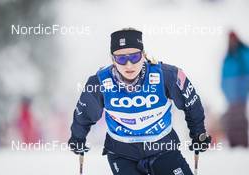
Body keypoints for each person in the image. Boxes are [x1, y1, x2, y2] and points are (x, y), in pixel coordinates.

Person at [68, 28, 211, 175]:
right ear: (113, 59)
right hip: (122, 153)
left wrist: (198, 133)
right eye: (122, 59)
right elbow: (84, 114)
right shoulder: (100, 82)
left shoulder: (166, 75)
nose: (129, 65)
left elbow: (191, 103)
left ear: (143, 55)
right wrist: (77, 137)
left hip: (163, 148)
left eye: (134, 57)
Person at [221, 31, 249, 148]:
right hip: (231, 94)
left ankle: (241, 143)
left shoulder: (243, 52)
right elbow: (224, 75)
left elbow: (245, 73)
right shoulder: (229, 55)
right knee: (232, 119)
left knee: (239, 118)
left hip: (239, 93)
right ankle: (234, 143)